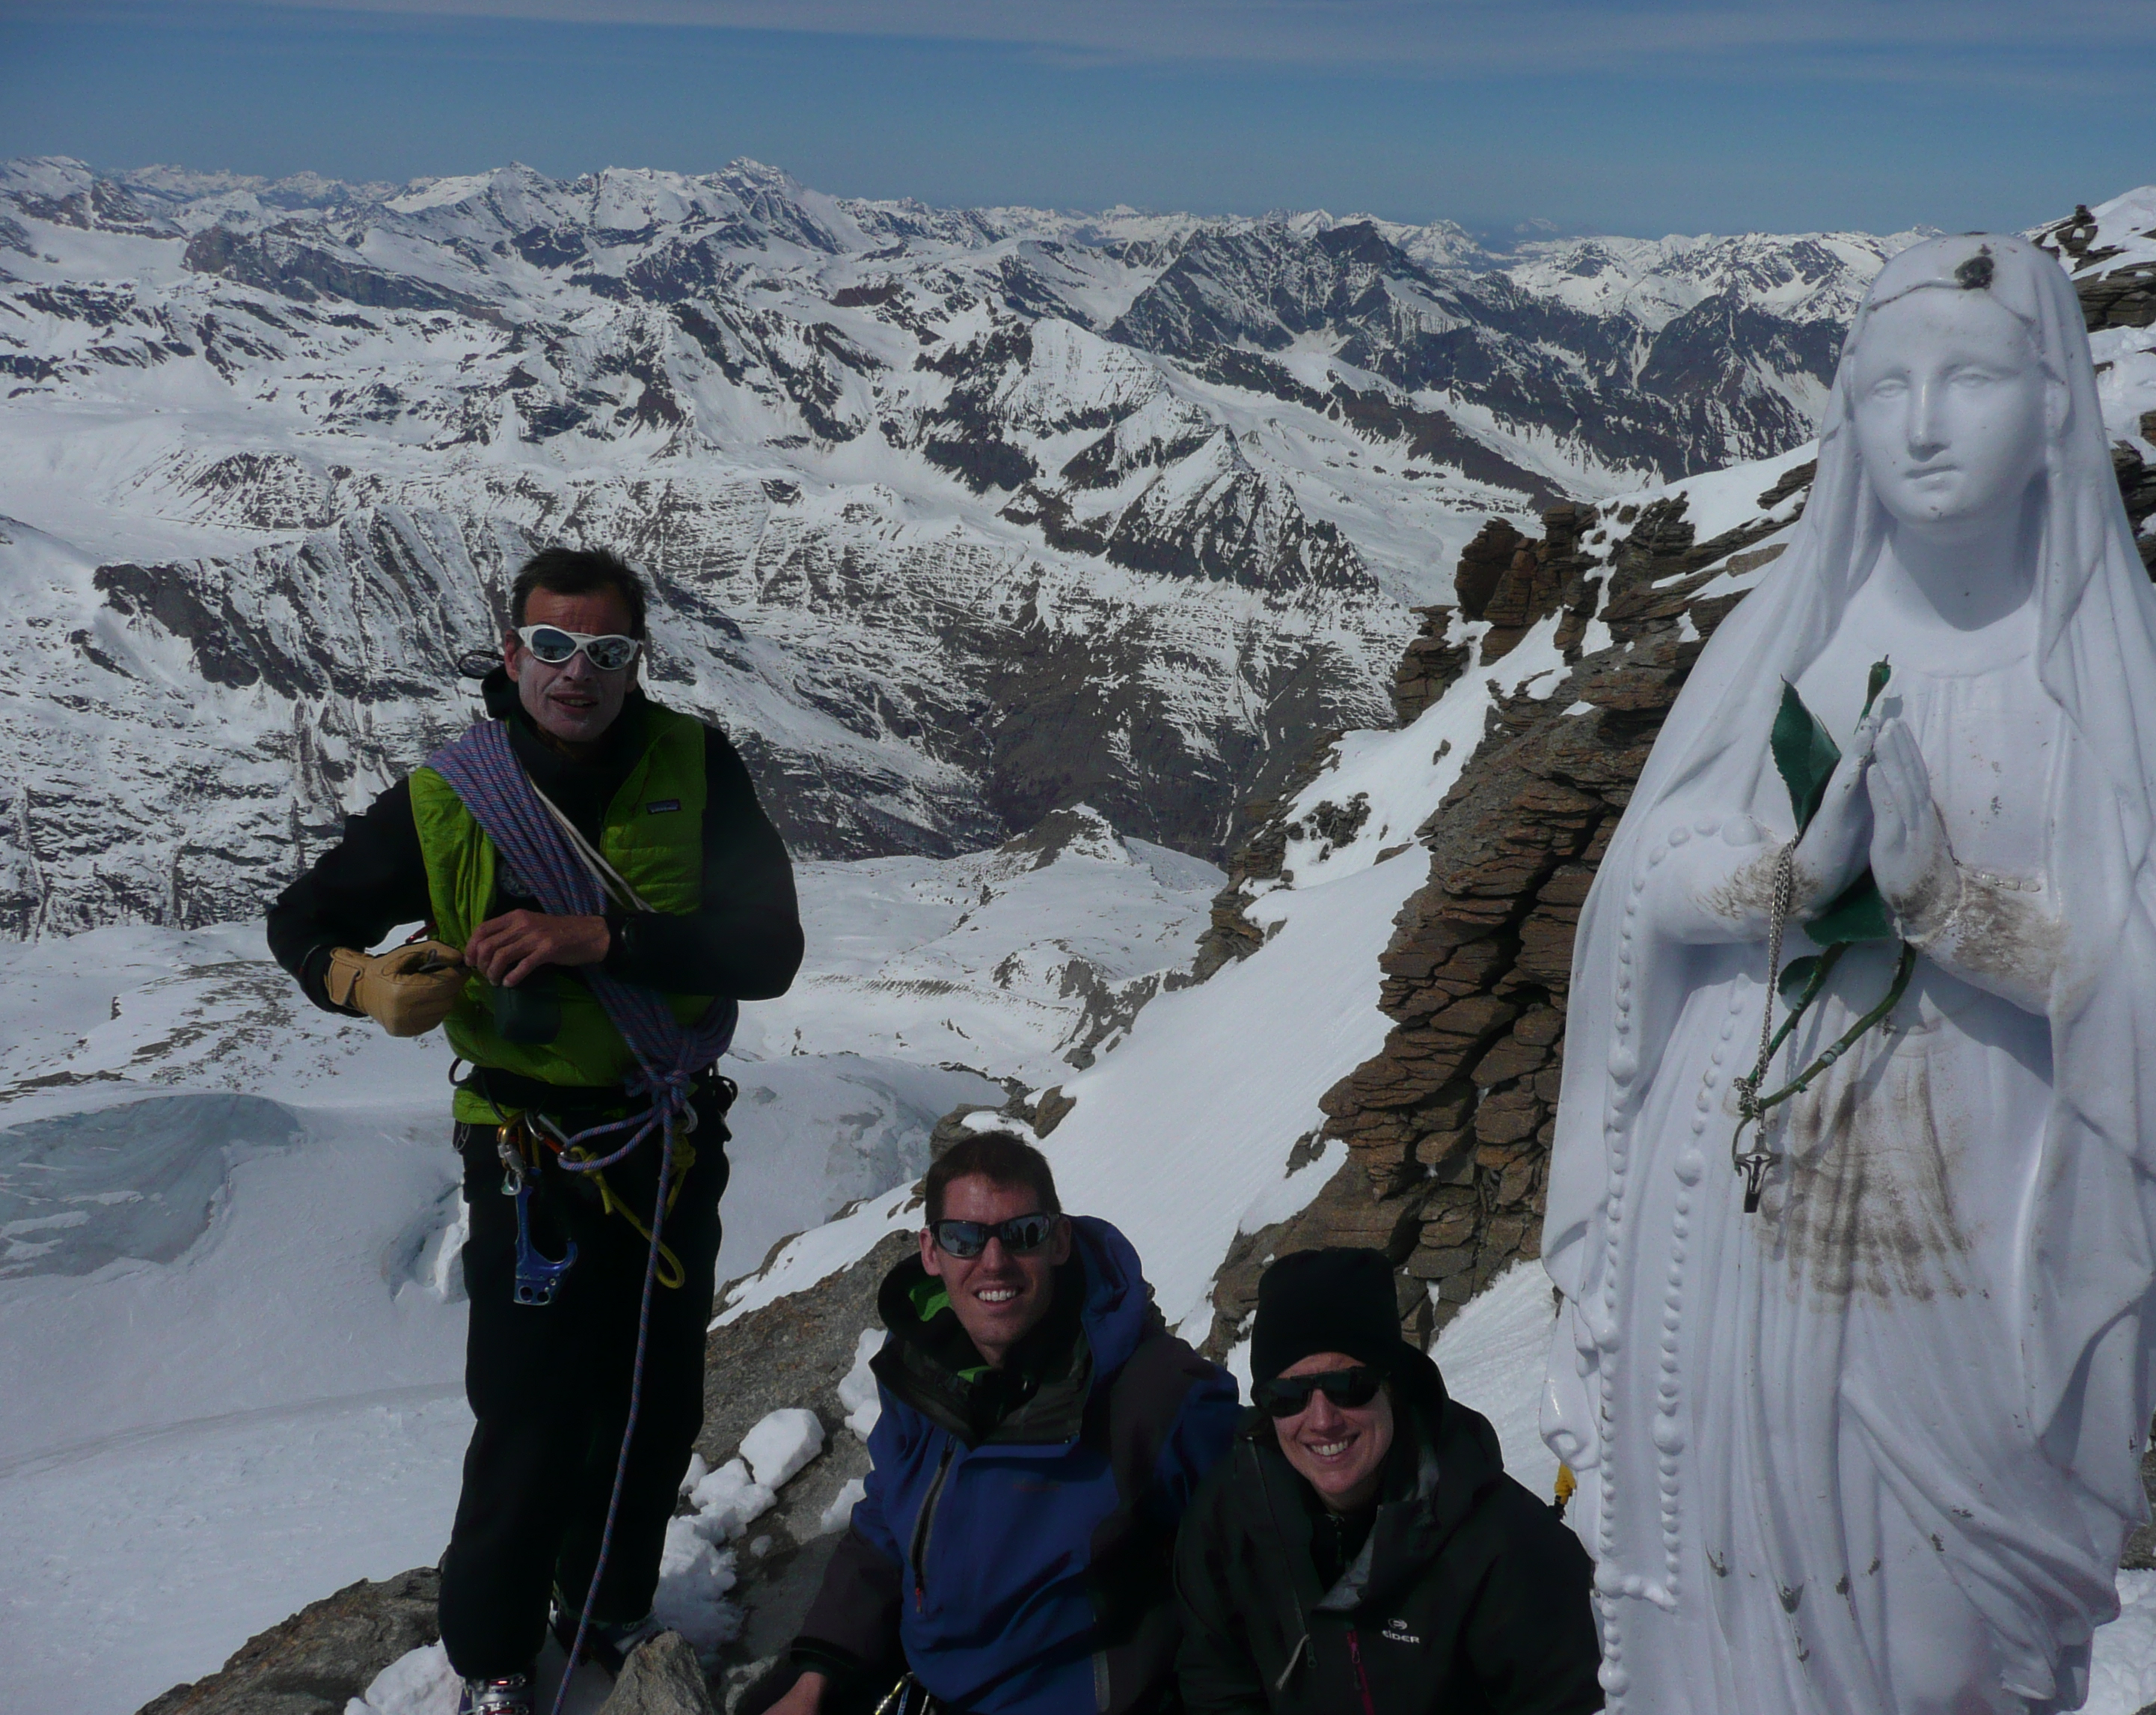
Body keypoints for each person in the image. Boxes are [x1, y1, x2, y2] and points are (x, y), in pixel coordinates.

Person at [1537, 235, 2156, 1713]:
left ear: (2052, 405)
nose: (1922, 424)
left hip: (1968, 1247)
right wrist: (1782, 883)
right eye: (1886, 385)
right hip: (1724, 1234)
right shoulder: (1775, 645)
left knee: (1938, 1648)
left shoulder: (2104, 670)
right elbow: (1638, 899)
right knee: (1722, 1621)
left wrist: (1952, 909)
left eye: (1969, 381)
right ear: (1843, 411)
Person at [268, 545, 805, 1715]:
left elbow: (769, 950)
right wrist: (359, 981)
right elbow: (304, 918)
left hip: (666, 1139)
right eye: (552, 647)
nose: (577, 673)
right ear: (510, 657)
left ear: (635, 663)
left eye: (605, 651)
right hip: (528, 1150)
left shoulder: (696, 765)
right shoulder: (446, 798)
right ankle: (495, 1654)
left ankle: (608, 1610)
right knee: (527, 1411)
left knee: (655, 1396)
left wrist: (597, 938)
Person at [762, 1131, 1240, 1715]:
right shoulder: (920, 1370)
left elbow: (1257, 1538)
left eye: (1022, 1234)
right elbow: (888, 1521)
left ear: (1059, 1240)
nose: (994, 1262)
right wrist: (814, 1680)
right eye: (964, 1238)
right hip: (928, 1684)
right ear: (931, 1252)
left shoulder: (1153, 1395)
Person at [1173, 1247, 1601, 1714]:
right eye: (1287, 1395)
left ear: (1391, 1386)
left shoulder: (1506, 1548)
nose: (1321, 1420)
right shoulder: (1229, 1521)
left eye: (1348, 1386)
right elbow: (1216, 1686)